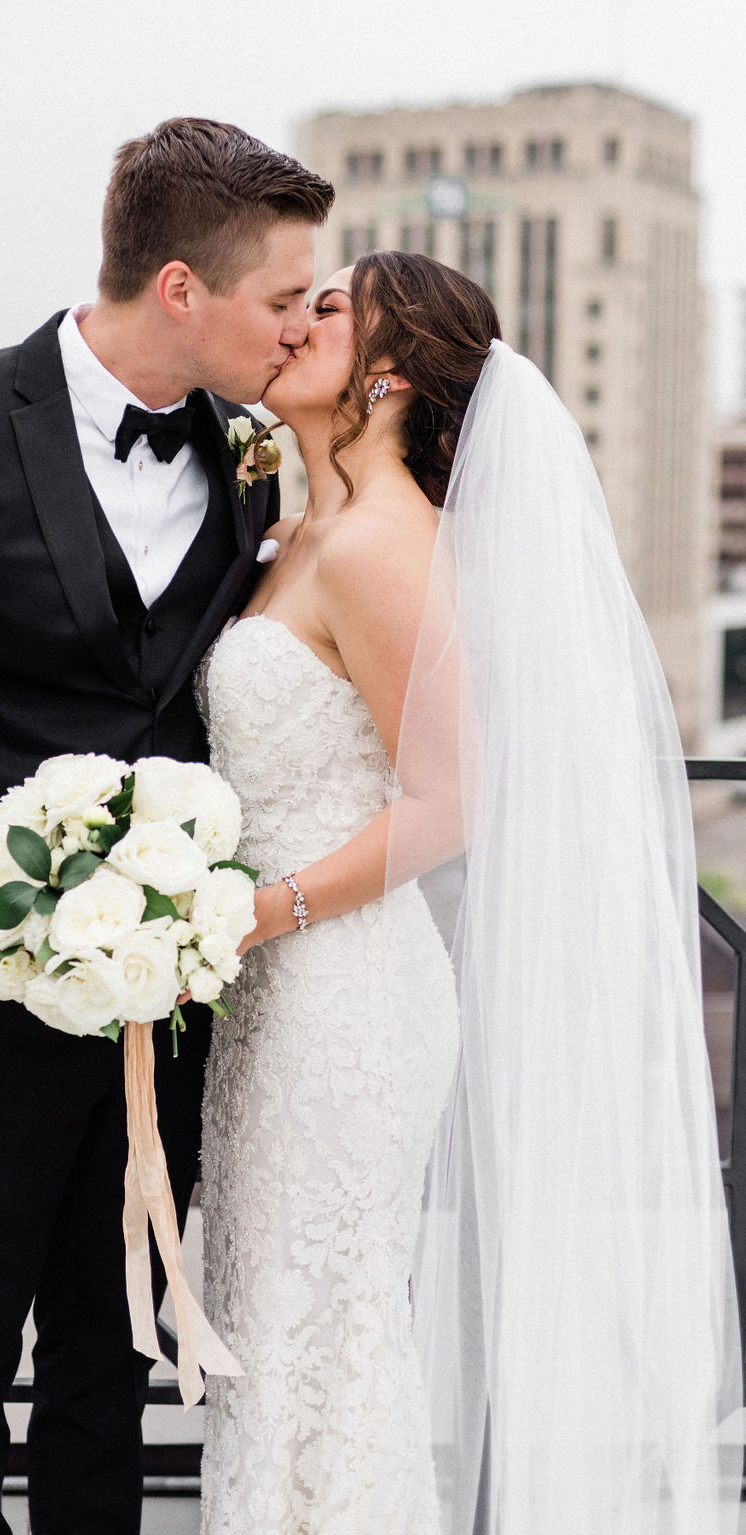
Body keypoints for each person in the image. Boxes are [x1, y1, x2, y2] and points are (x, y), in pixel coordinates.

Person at [0, 118, 333, 1535]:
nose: (297, 326)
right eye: (281, 298)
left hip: (168, 1021)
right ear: (180, 290)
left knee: (109, 1367)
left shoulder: (255, 462)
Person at [197, 251, 741, 1534]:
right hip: (272, 994)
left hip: (344, 998)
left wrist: (253, 913)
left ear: (386, 374)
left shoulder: (385, 543)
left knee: (324, 1334)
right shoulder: (300, 527)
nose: (293, 322)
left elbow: (449, 801)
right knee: (274, 1332)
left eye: (326, 308)